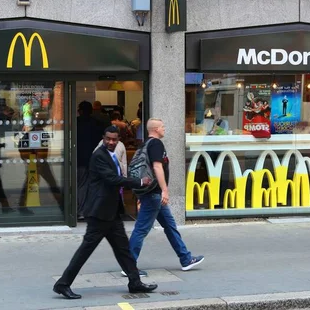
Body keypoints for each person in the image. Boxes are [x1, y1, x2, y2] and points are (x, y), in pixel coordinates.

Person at [53, 126, 157, 300]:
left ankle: (135, 283)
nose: (111, 142)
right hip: (99, 213)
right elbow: (112, 179)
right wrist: (139, 181)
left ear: (118, 140)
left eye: (114, 139)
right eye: (108, 139)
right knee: (85, 251)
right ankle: (62, 284)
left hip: (111, 212)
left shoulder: (111, 154)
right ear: (103, 138)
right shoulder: (99, 156)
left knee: (123, 249)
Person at [125, 118, 204, 277]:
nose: (164, 129)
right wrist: (165, 190)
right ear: (155, 129)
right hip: (154, 194)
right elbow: (157, 166)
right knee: (141, 229)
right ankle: (129, 265)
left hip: (151, 194)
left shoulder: (144, 144)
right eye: (162, 126)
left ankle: (185, 258)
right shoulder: (156, 144)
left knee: (170, 226)